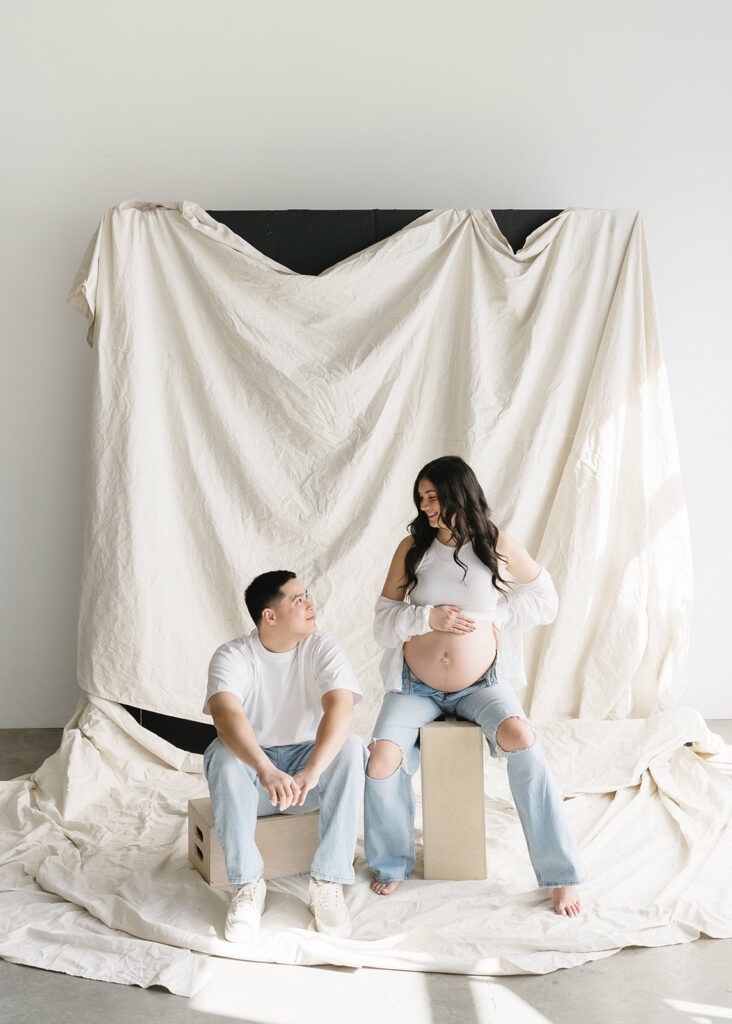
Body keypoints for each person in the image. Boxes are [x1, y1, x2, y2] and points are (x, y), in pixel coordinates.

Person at [364, 456, 584, 916]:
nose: (425, 506)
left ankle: (560, 874)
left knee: (522, 737)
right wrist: (427, 617)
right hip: (414, 687)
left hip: (480, 685)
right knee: (382, 758)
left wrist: (495, 618)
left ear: (457, 492)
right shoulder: (413, 549)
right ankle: (391, 865)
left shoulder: (496, 543)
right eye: (420, 498)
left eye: (432, 496)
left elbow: (546, 599)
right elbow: (382, 624)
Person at [203, 571, 366, 941]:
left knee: (353, 747)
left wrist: (313, 769)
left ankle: (327, 881)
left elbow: (340, 708)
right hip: (257, 781)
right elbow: (225, 716)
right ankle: (247, 886)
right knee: (222, 755)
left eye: (307, 596)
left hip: (308, 778)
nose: (310, 605)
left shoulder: (322, 647)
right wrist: (264, 767)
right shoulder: (233, 655)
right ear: (269, 616)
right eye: (298, 600)